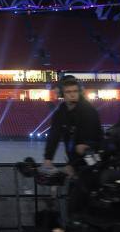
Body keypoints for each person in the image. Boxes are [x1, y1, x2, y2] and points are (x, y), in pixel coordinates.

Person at [42, 76, 103, 214]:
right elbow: (54, 135)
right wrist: (48, 158)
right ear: (62, 94)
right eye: (68, 91)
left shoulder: (88, 111)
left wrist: (73, 165)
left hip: (93, 159)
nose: (72, 94)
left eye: (75, 91)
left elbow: (89, 145)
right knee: (73, 196)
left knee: (81, 197)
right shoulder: (60, 112)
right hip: (75, 160)